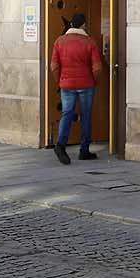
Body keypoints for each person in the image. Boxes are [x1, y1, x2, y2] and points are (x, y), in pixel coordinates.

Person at [49, 13, 105, 165]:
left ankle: (60, 145)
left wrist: (59, 81)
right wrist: (95, 81)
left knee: (67, 113)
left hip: (66, 84)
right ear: (83, 25)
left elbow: (54, 65)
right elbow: (97, 67)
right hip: (86, 84)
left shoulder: (59, 41)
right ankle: (84, 150)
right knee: (86, 115)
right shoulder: (89, 42)